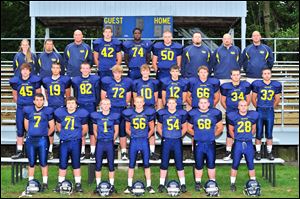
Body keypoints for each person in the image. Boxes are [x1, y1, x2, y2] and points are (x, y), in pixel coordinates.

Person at [54, 97, 89, 193]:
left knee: (76, 163)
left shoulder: (82, 113)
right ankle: (60, 183)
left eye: (72, 103)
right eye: (69, 103)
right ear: (66, 104)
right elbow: (58, 126)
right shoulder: (60, 113)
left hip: (75, 141)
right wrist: (65, 135)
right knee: (62, 163)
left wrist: (76, 136)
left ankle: (78, 184)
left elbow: (85, 129)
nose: (70, 105)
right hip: (64, 141)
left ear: (76, 104)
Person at [187, 98, 223, 191]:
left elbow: (220, 127)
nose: (203, 104)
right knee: (198, 164)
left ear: (209, 104)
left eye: (205, 103)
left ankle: (212, 181)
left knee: (211, 163)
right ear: (198, 104)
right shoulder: (193, 113)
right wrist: (197, 135)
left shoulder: (215, 113)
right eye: (201, 103)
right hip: (198, 142)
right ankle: (198, 182)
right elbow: (188, 128)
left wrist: (212, 135)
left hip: (210, 142)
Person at [123, 96, 156, 194]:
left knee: (146, 164)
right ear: (134, 103)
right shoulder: (130, 114)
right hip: (134, 141)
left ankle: (149, 186)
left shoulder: (148, 113)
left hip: (144, 141)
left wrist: (146, 136)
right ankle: (129, 186)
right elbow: (127, 129)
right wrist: (133, 135)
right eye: (137, 102)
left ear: (143, 103)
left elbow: (152, 128)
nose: (139, 103)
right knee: (131, 164)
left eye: (140, 102)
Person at [187, 65, 220, 159]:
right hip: (196, 108)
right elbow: (188, 96)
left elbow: (217, 96)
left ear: (208, 73)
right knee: (194, 130)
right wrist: (194, 105)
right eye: (201, 72)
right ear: (198, 73)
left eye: (205, 72)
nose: (203, 74)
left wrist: (211, 105)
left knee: (209, 127)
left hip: (208, 108)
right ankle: (195, 151)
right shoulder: (193, 82)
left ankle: (209, 149)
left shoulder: (212, 82)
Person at [9, 63, 41, 159]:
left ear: (30, 71)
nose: (25, 71)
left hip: (31, 108)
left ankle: (35, 150)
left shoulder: (34, 80)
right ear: (20, 71)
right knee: (20, 129)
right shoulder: (16, 81)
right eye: (23, 70)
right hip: (21, 108)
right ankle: (19, 151)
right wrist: (20, 103)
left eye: (27, 70)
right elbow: (14, 95)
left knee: (34, 129)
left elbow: (38, 94)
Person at [23, 93, 55, 191]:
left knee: (43, 162)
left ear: (44, 101)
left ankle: (45, 183)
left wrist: (44, 135)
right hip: (31, 140)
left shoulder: (47, 111)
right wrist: (32, 133)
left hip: (42, 140)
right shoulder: (28, 111)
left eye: (41, 100)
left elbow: (52, 127)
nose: (39, 102)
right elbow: (26, 126)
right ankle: (30, 182)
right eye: (37, 100)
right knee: (31, 162)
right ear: (34, 101)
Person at [101, 65, 132, 160]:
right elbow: (103, 96)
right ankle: (108, 150)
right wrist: (106, 107)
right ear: (112, 73)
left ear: (121, 73)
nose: (117, 75)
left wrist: (123, 104)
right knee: (110, 130)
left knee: (122, 131)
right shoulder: (107, 81)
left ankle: (123, 152)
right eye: (115, 73)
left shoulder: (126, 82)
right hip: (111, 109)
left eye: (119, 73)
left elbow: (128, 97)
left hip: (122, 109)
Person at [157, 98, 188, 193]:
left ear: (176, 104)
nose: (171, 105)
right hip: (166, 140)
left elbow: (185, 127)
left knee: (179, 163)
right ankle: (161, 184)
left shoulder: (181, 114)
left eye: (173, 103)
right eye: (169, 103)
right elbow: (159, 127)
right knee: (164, 163)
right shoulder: (162, 113)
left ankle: (183, 184)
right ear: (166, 104)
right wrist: (166, 136)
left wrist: (178, 136)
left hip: (176, 141)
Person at [227, 100, 259, 192]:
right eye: (241, 105)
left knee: (251, 164)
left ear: (247, 106)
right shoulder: (233, 116)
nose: (243, 107)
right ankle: (232, 184)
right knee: (235, 164)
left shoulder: (252, 116)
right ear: (238, 107)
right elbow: (231, 130)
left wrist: (248, 137)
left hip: (248, 143)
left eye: (245, 105)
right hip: (238, 143)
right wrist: (237, 138)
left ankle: (253, 183)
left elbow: (254, 129)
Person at [71, 62, 101, 160]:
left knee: (92, 130)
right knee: (82, 130)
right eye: (83, 68)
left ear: (90, 69)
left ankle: (93, 152)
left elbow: (97, 93)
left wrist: (95, 104)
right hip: (81, 106)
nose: (85, 70)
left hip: (91, 106)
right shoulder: (76, 80)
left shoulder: (95, 79)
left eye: (87, 68)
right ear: (80, 70)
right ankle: (82, 151)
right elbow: (75, 93)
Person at [42, 62, 71, 159]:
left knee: (63, 128)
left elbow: (68, 95)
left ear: (60, 69)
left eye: (57, 68)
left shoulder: (64, 80)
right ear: (51, 69)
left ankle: (66, 150)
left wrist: (67, 106)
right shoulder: (46, 80)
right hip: (51, 107)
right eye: (53, 68)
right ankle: (50, 150)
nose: (55, 69)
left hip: (61, 107)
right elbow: (46, 93)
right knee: (50, 129)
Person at [220, 69, 251, 161]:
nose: (236, 76)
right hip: (231, 112)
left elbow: (248, 100)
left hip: (242, 112)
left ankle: (243, 152)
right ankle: (228, 152)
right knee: (230, 133)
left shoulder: (245, 85)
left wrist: (243, 109)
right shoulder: (226, 86)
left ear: (240, 76)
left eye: (238, 75)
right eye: (234, 75)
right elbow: (223, 101)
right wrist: (229, 110)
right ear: (231, 76)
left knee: (243, 132)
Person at [251, 68, 282, 160]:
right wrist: (259, 107)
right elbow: (253, 98)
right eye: (265, 73)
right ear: (262, 75)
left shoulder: (275, 85)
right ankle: (258, 152)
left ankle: (269, 152)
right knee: (259, 132)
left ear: (271, 74)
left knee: (269, 133)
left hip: (269, 111)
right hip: (260, 110)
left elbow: (277, 99)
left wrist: (271, 107)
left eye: (268, 73)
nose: (267, 75)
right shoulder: (258, 84)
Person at [91, 98, 120, 194]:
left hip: (109, 142)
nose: (106, 106)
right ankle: (98, 186)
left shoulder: (114, 116)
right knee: (98, 164)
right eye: (104, 104)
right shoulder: (96, 116)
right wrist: (98, 138)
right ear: (100, 106)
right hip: (100, 142)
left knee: (111, 165)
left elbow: (116, 130)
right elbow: (94, 130)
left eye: (108, 104)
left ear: (110, 105)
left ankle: (111, 185)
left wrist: (112, 139)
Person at [132, 64, 159, 160]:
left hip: (150, 107)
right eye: (143, 71)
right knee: (139, 129)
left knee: (151, 129)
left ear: (149, 71)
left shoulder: (154, 82)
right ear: (141, 72)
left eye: (147, 70)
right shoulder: (136, 82)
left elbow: (155, 95)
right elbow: (135, 96)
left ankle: (151, 151)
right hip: (140, 107)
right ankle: (139, 152)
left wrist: (154, 105)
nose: (145, 72)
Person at [152, 30, 183, 109]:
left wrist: (176, 72)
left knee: (172, 90)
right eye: (165, 37)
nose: (167, 38)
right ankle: (160, 110)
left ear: (172, 37)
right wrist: (157, 70)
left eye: (169, 37)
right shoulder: (158, 46)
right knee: (160, 93)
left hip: (173, 72)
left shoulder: (177, 47)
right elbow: (154, 61)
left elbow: (178, 62)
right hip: (162, 72)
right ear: (163, 38)